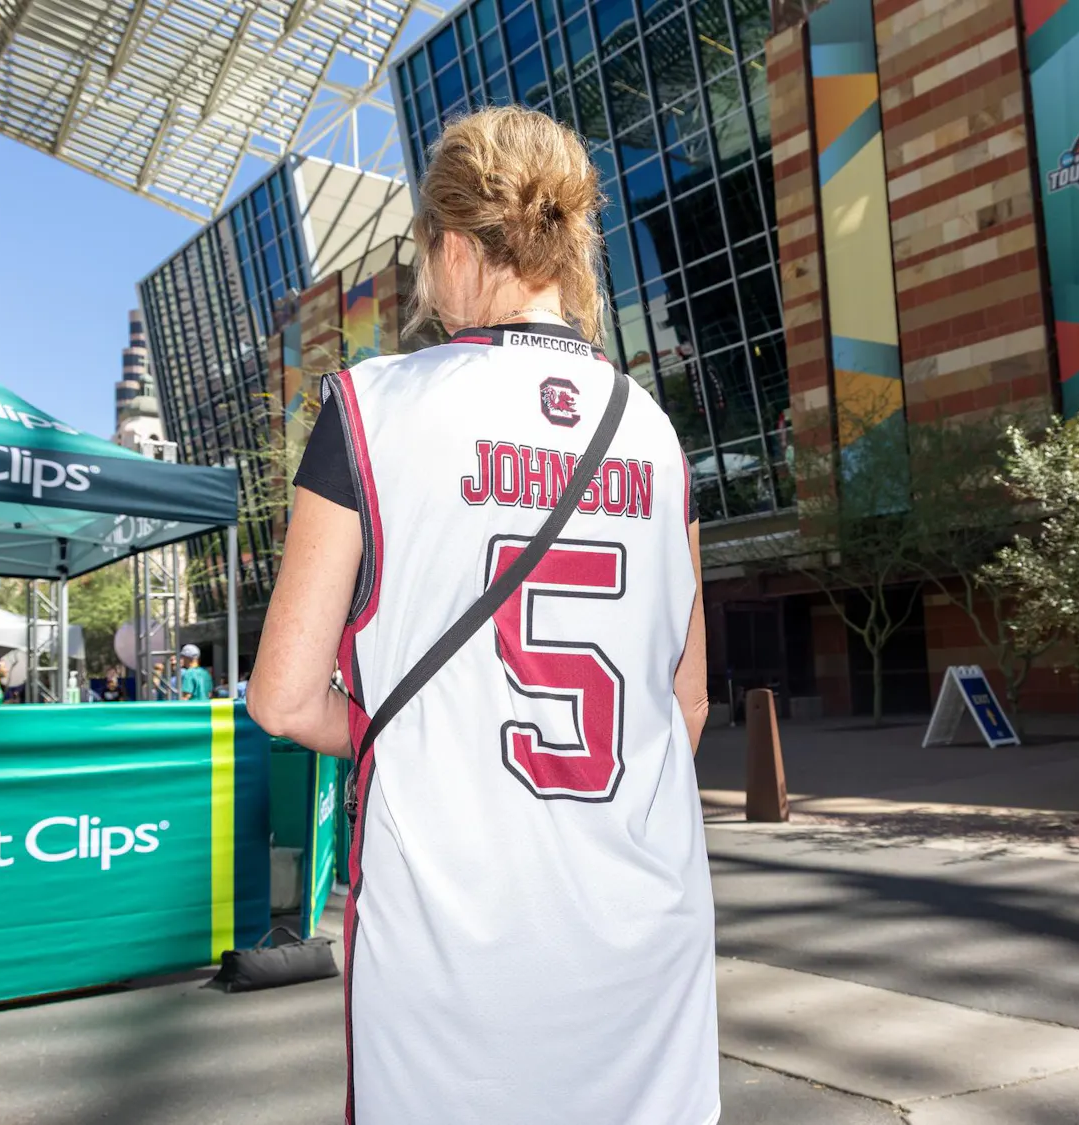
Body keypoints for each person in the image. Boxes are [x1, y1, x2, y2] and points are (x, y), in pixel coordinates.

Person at [248, 106, 716, 1125]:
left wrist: (414, 733)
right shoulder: (652, 429)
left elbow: (284, 699)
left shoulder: (369, 406)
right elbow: (682, 708)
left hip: (450, 938)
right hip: (641, 930)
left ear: (453, 245)